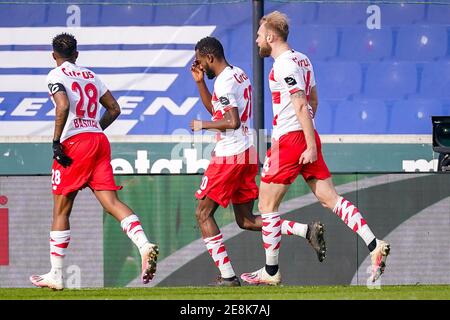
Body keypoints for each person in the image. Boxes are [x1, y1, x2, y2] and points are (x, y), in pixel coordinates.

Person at [240, 11, 390, 285]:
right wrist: (310, 138)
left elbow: (300, 103)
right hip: (306, 135)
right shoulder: (303, 59)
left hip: (290, 140)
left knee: (266, 204)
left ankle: (271, 272)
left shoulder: (284, 64)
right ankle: (374, 244)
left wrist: (306, 143)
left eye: (260, 35)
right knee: (330, 198)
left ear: (271, 36)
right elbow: (314, 101)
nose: (257, 40)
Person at [190, 36, 326, 287]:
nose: (199, 66)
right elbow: (217, 109)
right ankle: (304, 231)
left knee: (202, 213)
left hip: (228, 157)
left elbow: (231, 122)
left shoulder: (224, 82)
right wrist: (200, 84)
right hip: (247, 154)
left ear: (210, 57)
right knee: (245, 219)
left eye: (200, 61)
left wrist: (202, 125)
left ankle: (228, 276)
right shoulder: (238, 74)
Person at [29, 33, 159, 290]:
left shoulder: (55, 75)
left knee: (61, 209)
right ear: (76, 54)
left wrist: (56, 142)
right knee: (112, 203)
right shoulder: (91, 75)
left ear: (54, 56)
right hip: (99, 141)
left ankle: (56, 274)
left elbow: (63, 106)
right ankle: (144, 245)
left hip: (74, 145)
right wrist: (93, 129)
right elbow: (115, 109)